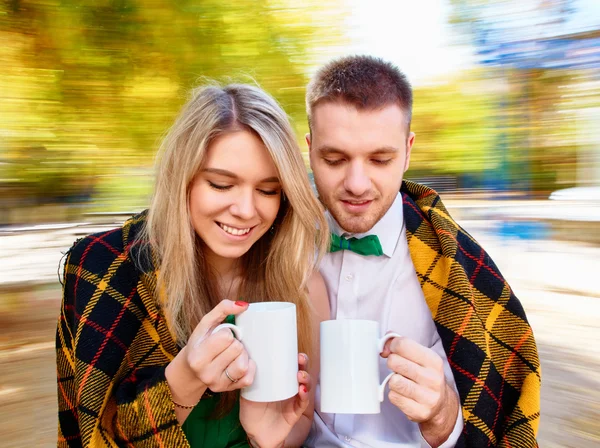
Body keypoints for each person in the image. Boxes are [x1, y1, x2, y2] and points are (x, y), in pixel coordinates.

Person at [56, 83, 330, 448]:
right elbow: (90, 435)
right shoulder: (106, 270)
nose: (247, 210)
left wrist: (268, 437)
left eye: (268, 190)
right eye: (221, 184)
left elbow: (300, 424)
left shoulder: (302, 285)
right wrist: (184, 380)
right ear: (181, 179)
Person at [304, 55, 541, 447]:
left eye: (381, 159)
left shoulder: (462, 268)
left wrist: (444, 417)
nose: (357, 184)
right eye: (334, 159)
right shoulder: (270, 239)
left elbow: (500, 417)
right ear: (310, 149)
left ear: (408, 150)